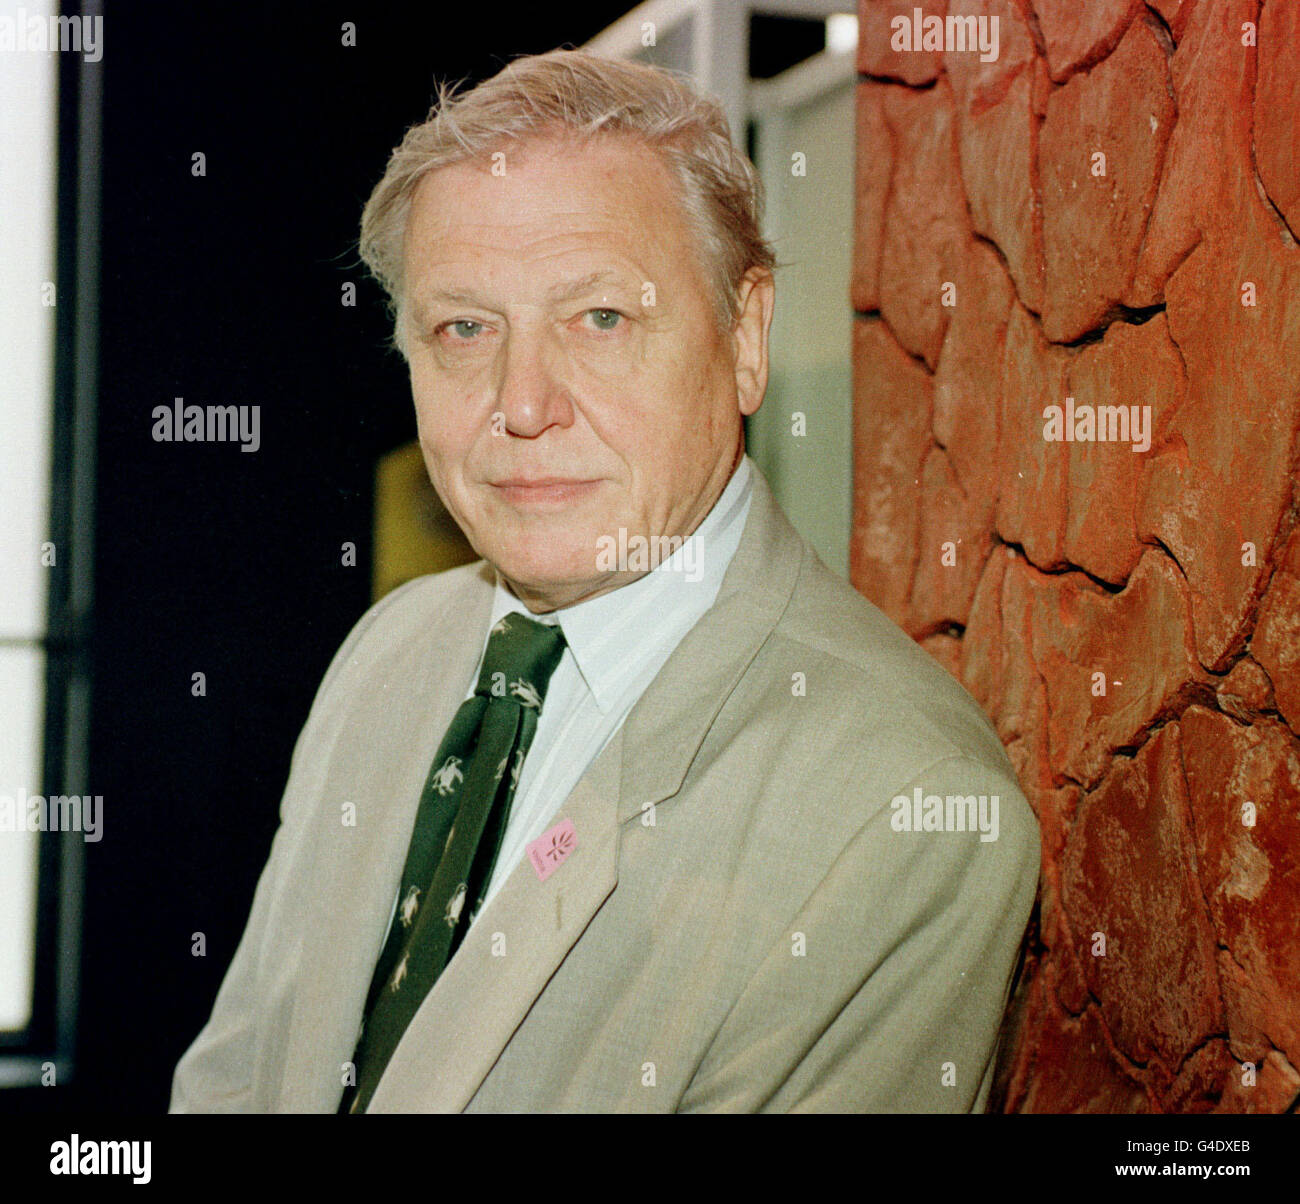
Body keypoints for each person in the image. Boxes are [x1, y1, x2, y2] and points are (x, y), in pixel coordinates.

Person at [169, 48, 1039, 1114]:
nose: (521, 403)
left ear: (747, 336)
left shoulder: (907, 813)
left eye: (601, 319)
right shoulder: (387, 651)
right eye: (463, 328)